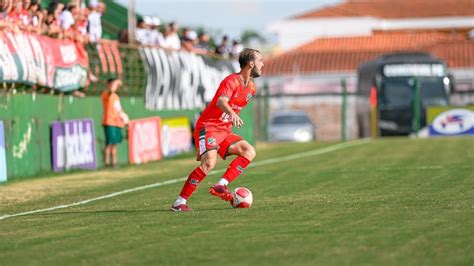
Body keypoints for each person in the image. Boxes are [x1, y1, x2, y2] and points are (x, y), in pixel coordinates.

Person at [170, 48, 264, 212]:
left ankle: (221, 185)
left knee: (249, 151)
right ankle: (179, 202)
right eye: (260, 60)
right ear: (250, 64)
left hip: (224, 130)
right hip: (208, 127)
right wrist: (232, 113)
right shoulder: (231, 81)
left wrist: (230, 117)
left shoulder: (251, 88)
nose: (262, 64)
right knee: (209, 163)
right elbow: (221, 102)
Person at [101, 78, 129, 167]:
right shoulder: (106, 94)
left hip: (116, 123)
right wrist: (115, 83)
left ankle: (114, 163)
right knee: (108, 143)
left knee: (114, 144)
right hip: (109, 122)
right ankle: (107, 163)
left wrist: (124, 119)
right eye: (114, 84)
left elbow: (119, 110)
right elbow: (110, 92)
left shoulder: (116, 96)